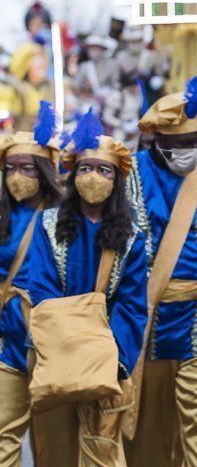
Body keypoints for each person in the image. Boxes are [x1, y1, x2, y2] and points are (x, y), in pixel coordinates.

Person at [27, 110, 146, 467]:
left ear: (116, 179)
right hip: (55, 351)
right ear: (72, 175)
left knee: (101, 448)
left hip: (107, 358)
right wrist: (70, 341)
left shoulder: (131, 236)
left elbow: (131, 303)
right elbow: (42, 288)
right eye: (85, 169)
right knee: (54, 448)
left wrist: (116, 357)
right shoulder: (48, 224)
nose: (93, 177)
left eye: (104, 170)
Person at [124, 74, 197, 467]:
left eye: (195, 143)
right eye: (179, 145)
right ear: (158, 141)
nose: (189, 152)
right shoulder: (126, 174)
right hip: (141, 317)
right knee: (145, 436)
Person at [0, 102, 62, 466]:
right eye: (9, 168)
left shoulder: (64, 215)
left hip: (51, 338)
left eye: (27, 168)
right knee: (4, 431)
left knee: (52, 438)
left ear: (44, 172)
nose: (17, 176)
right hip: (6, 338)